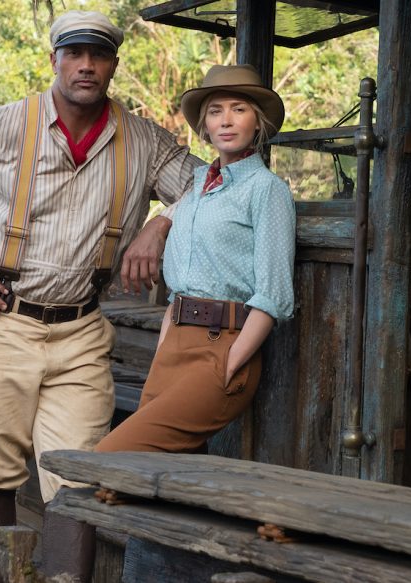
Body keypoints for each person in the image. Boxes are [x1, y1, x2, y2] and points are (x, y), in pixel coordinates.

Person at [0, 10, 202, 582]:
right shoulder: (3, 125)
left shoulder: (142, 139)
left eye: (99, 55)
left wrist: (159, 225)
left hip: (83, 330)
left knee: (80, 474)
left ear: (113, 64)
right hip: (1, 320)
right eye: (75, 54)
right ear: (54, 61)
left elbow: (211, 185)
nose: (86, 66)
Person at [93, 63, 295, 458]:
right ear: (204, 125)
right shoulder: (198, 186)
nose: (226, 120)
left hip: (224, 347)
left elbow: (274, 294)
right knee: (171, 474)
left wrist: (231, 362)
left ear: (258, 121)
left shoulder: (267, 190)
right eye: (216, 111)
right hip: (174, 344)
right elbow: (180, 279)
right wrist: (167, 341)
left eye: (239, 109)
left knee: (112, 458)